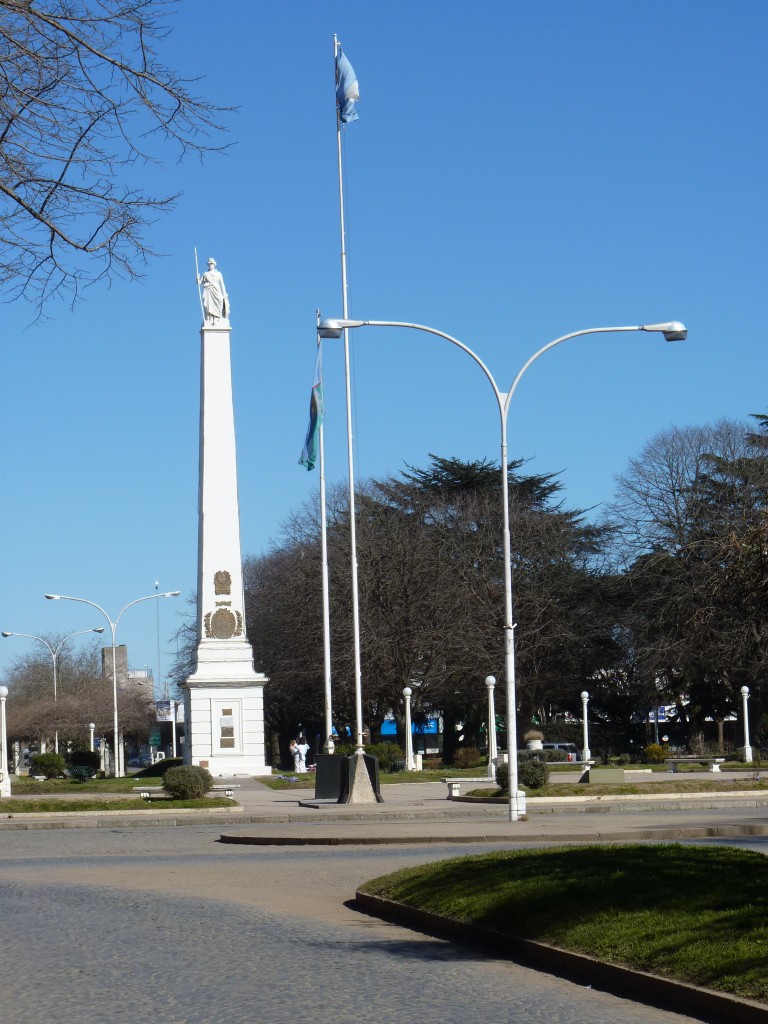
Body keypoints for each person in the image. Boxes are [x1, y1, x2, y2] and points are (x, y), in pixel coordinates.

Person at [197, 257, 229, 322]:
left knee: (220, 300)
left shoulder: (218, 274)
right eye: (209, 264)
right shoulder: (205, 274)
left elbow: (222, 284)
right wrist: (197, 278)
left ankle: (218, 318)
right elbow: (199, 283)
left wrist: (224, 294)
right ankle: (209, 320)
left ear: (214, 265)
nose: (210, 265)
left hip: (217, 290)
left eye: (211, 264)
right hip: (208, 290)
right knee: (208, 306)